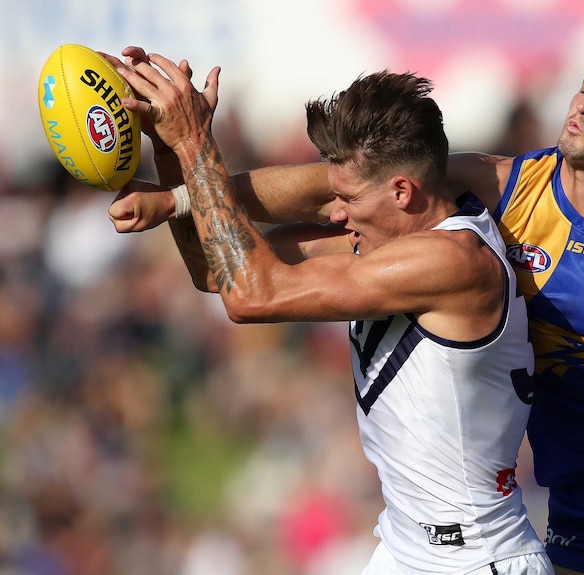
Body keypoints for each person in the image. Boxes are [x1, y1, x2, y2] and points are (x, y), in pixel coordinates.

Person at [108, 28, 584, 575]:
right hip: (578, 484)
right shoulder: (506, 187)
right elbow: (337, 184)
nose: (583, 102)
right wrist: (180, 191)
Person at [111, 55, 553, 575]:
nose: (335, 212)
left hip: (475, 560)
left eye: (345, 198)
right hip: (404, 547)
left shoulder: (454, 261)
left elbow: (253, 296)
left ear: (402, 192)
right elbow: (219, 272)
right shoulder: (387, 237)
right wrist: (173, 162)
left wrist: (194, 144)